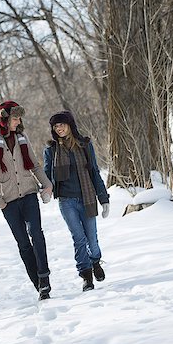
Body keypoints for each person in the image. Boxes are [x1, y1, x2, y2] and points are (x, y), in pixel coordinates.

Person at [0, 101, 53, 300]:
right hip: (8, 202)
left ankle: (45, 279)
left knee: (36, 234)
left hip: (29, 194)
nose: (18, 122)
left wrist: (47, 185)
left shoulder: (22, 137)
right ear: (4, 119)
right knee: (23, 243)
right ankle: (37, 284)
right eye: (15, 118)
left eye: (19, 118)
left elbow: (35, 165)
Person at [43, 110, 110, 292]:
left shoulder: (84, 145)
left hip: (86, 197)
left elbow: (94, 172)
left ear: (70, 125)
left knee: (92, 240)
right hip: (66, 201)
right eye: (55, 126)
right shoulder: (51, 150)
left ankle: (95, 261)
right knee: (78, 239)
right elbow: (47, 175)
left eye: (61, 125)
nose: (59, 129)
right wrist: (46, 190)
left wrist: (104, 199)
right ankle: (86, 276)